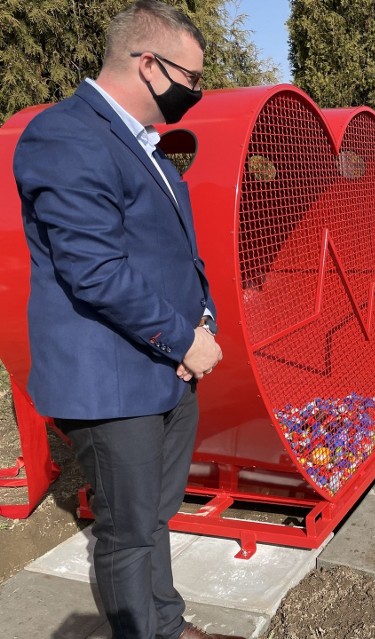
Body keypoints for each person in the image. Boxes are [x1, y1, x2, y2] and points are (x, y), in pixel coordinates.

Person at [12, 2, 237, 638]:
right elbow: (94, 271)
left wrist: (204, 320)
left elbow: (175, 255)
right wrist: (184, 340)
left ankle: (167, 625)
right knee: (128, 532)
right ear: (148, 65)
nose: (196, 92)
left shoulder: (147, 148)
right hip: (113, 382)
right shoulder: (68, 135)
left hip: (164, 368)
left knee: (153, 519)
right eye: (191, 79)